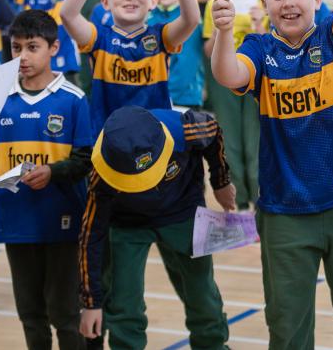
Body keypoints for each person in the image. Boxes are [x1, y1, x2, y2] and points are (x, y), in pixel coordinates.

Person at [209, 0, 333, 348]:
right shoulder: (258, 48)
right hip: (284, 210)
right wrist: (223, 32)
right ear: (264, 3)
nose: (288, 3)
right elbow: (229, 74)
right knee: (288, 324)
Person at [0, 10, 93, 348]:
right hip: (16, 221)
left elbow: (85, 162)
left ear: (53, 48)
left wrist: (52, 172)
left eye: (32, 47)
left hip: (62, 221)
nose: (22, 56)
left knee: (65, 315)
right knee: (31, 316)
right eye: (16, 48)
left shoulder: (74, 99)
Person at [78, 106, 236, 349]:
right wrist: (90, 303)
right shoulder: (101, 175)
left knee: (203, 296)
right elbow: (90, 237)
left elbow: (214, 132)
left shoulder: (187, 129)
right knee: (124, 303)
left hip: (183, 212)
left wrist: (220, 181)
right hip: (128, 224)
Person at [59, 0, 200, 133]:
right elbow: (68, 14)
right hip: (107, 139)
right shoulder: (99, 38)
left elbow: (191, 19)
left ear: (153, 1)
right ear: (105, 3)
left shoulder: (161, 37)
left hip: (155, 139)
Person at [202, 0, 264, 209]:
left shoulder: (263, 1)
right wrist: (219, 28)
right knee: (229, 139)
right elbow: (208, 51)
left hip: (256, 77)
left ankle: (260, 198)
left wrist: (259, 24)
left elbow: (271, 46)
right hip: (224, 79)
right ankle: (239, 200)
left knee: (255, 138)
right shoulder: (214, 4)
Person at [148, 0, 205, 110]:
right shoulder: (149, 16)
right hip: (152, 97)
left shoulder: (189, 19)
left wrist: (163, 94)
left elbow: (186, 64)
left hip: (183, 98)